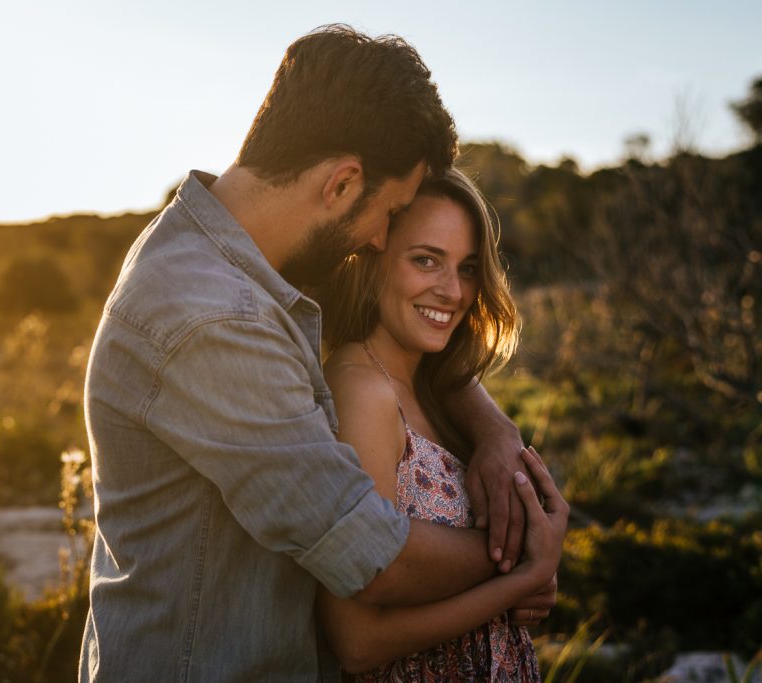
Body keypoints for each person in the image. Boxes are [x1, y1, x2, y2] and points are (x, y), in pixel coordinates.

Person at [81, 25, 550, 681]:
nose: (380, 238)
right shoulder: (214, 317)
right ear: (341, 183)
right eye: (387, 213)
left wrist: (493, 430)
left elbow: (406, 337)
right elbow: (371, 554)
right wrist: (524, 548)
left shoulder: (243, 254)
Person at [316, 168, 567, 681]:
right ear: (374, 257)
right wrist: (525, 573)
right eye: (426, 260)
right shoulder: (364, 392)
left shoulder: (436, 381)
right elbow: (358, 642)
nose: (453, 291)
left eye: (469, 267)